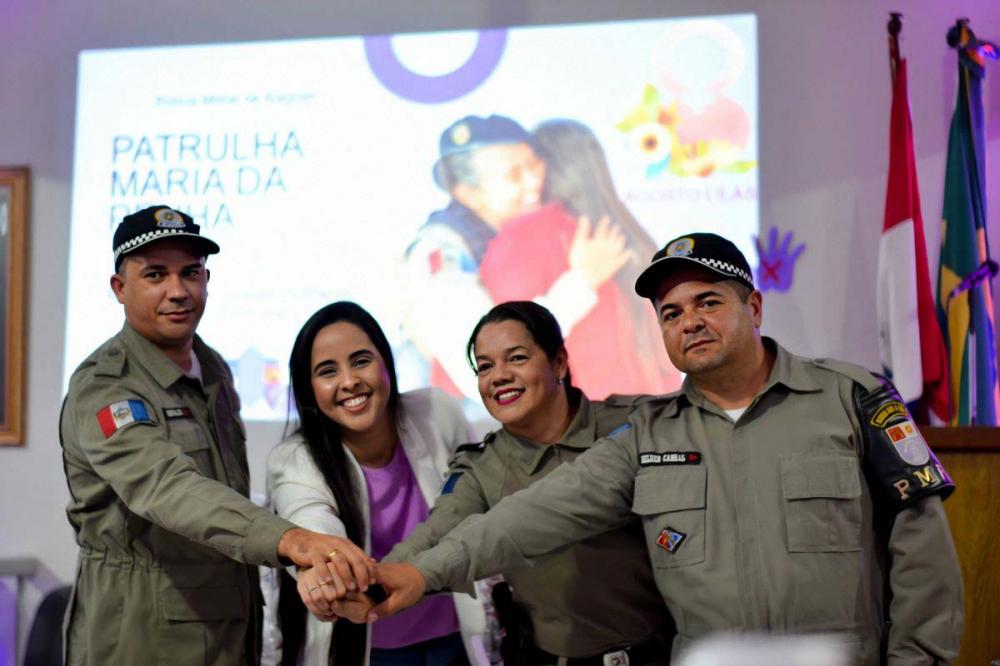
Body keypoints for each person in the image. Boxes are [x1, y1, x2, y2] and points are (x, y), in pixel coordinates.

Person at [371, 232, 965, 665]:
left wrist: (918, 660)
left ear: (752, 307)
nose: (690, 322)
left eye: (708, 302)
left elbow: (922, 548)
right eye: (671, 313)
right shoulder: (649, 434)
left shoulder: (850, 397)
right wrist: (420, 574)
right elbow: (525, 519)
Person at [59, 206, 375, 666]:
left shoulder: (213, 370)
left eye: (191, 273)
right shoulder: (107, 385)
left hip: (228, 627)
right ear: (119, 288)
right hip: (140, 632)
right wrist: (294, 541)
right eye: (155, 275)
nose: (178, 291)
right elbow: (169, 488)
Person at [372, 301, 671, 665]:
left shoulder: (634, 426)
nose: (498, 376)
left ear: (558, 362)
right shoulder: (481, 466)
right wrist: (378, 578)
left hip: (662, 651)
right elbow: (434, 533)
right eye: (485, 366)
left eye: (515, 358)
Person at [266, 301, 487, 666]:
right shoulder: (294, 459)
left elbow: (477, 504)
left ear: (386, 361)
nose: (349, 381)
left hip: (459, 636)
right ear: (309, 389)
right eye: (327, 371)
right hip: (373, 646)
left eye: (360, 361)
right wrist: (326, 562)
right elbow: (310, 518)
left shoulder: (438, 411)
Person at [402, 114, 630, 401]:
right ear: (469, 194)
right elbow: (482, 365)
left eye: (535, 165)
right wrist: (581, 283)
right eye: (514, 175)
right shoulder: (444, 253)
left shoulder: (530, 235)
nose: (535, 182)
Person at [478, 119, 680, 397]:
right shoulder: (627, 234)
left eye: (532, 163)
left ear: (544, 167)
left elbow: (503, 343)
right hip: (651, 413)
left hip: (580, 421)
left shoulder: (525, 236)